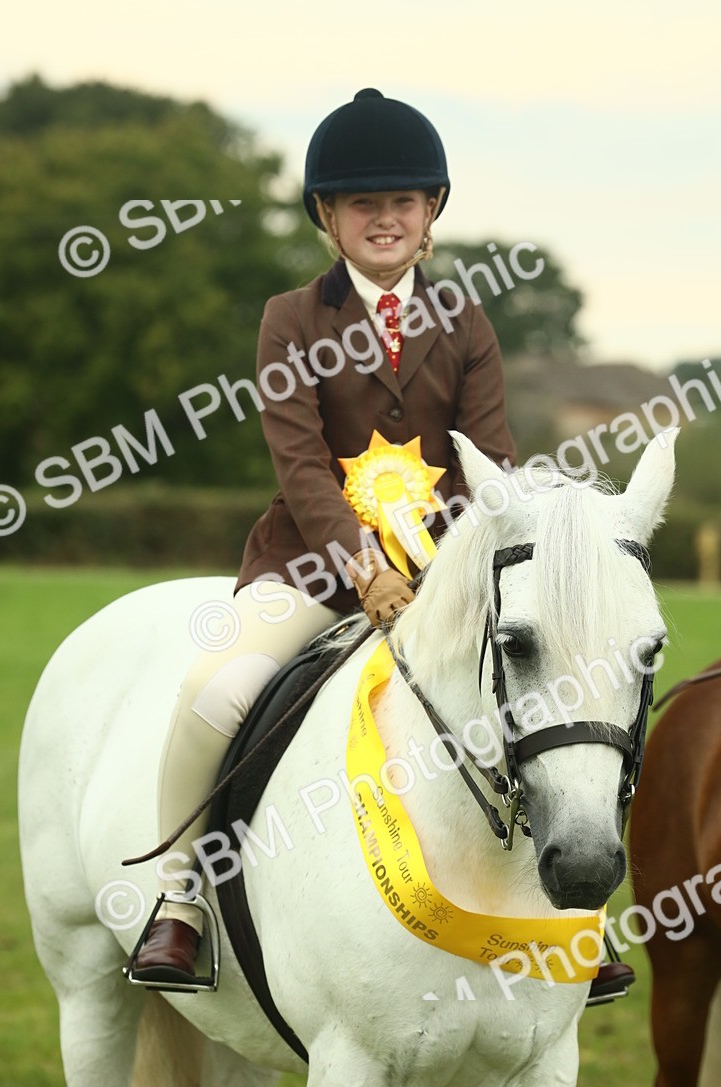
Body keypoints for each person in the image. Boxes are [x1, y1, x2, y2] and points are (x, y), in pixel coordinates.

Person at [131, 87, 512, 984]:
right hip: (310, 567)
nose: (385, 219)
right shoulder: (291, 319)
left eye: (402, 203)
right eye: (363, 205)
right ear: (327, 219)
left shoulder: (467, 322)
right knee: (211, 689)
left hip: (446, 573)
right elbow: (300, 463)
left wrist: (445, 572)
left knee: (541, 696)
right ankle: (179, 897)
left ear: (431, 215)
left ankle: (562, 911)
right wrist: (366, 565)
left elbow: (488, 463)